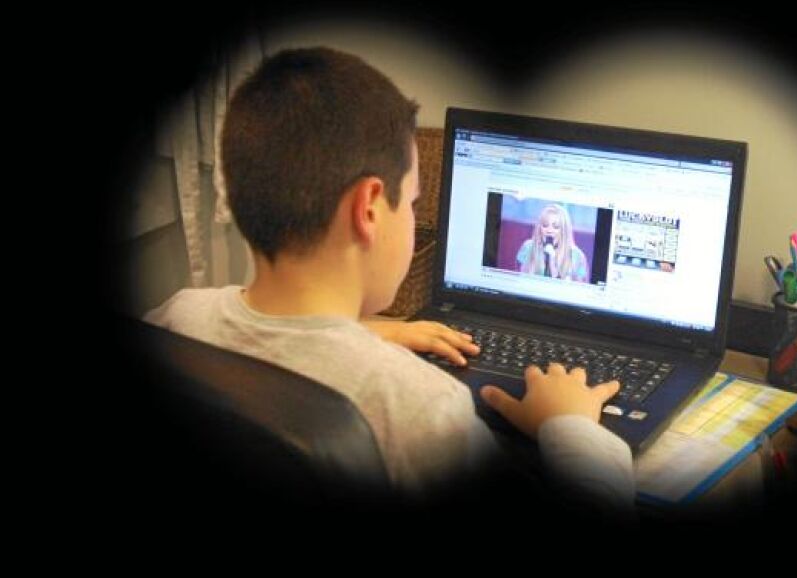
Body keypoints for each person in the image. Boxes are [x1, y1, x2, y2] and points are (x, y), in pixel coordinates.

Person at [143, 47, 633, 517]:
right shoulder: (422, 408)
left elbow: (276, 340)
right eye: (414, 202)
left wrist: (371, 331)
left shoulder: (174, 317)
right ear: (369, 209)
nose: (414, 215)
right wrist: (570, 425)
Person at [516, 204, 590, 282]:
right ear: (539, 228)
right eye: (545, 225)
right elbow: (519, 279)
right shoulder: (528, 247)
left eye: (556, 227)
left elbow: (581, 285)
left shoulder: (576, 255)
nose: (549, 230)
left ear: (564, 230)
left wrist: (552, 261)